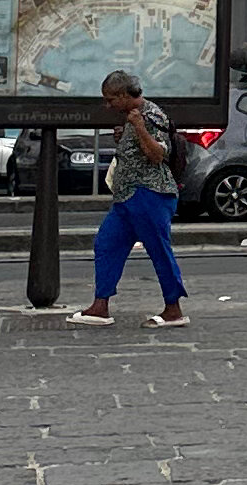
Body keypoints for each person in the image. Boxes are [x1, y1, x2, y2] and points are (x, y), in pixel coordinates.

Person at [75, 68, 187, 326]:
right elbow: (136, 151)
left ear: (125, 95)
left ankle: (174, 309)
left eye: (111, 99)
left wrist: (137, 127)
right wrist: (124, 136)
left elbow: (158, 154)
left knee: (159, 250)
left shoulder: (150, 115)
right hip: (126, 197)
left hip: (149, 194)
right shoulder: (131, 117)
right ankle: (100, 305)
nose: (108, 105)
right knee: (106, 243)